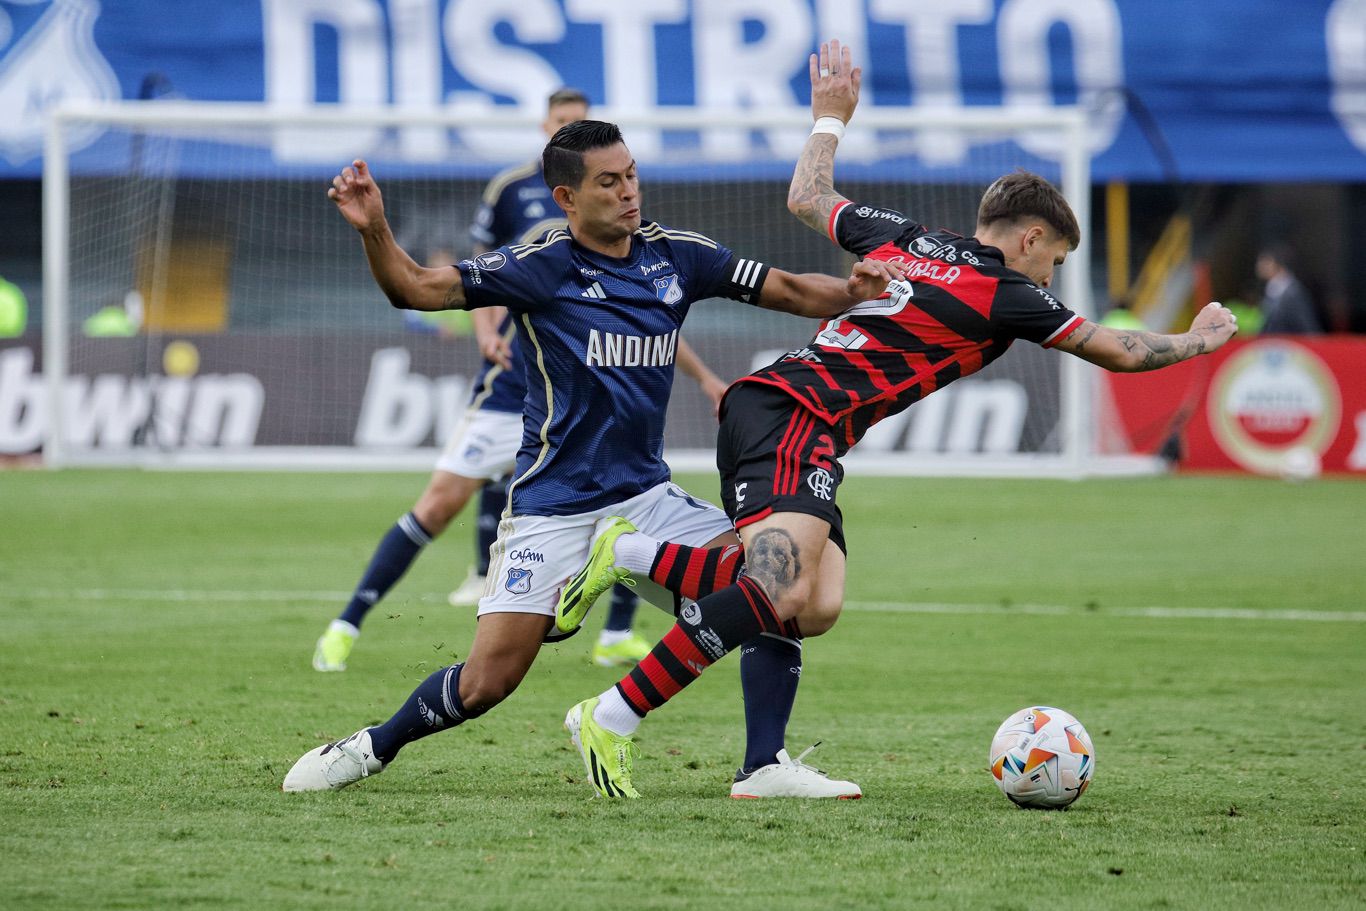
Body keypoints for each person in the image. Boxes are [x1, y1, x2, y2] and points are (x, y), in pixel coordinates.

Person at [557, 39, 1240, 799]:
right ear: (1030, 239)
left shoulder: (911, 239)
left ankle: (745, 739)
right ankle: (612, 714)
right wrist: (1199, 339)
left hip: (799, 416)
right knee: (777, 588)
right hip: (793, 412)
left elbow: (808, 199)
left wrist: (829, 120)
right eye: (1054, 262)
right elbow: (1118, 349)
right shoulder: (1007, 291)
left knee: (813, 603)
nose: (1051, 279)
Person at [282, 118, 907, 795]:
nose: (629, 192)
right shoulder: (541, 266)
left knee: (778, 584)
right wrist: (374, 229)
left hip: (646, 498)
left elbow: (785, 287)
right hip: (554, 507)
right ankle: (371, 745)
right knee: (487, 681)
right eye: (609, 182)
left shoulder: (677, 254)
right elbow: (416, 287)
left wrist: (851, 293)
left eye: (632, 175)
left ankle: (763, 765)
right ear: (566, 198)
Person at [310, 89, 705, 673]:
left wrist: (710, 378)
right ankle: (348, 623)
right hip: (512, 388)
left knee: (630, 491)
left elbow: (651, 316)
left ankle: (616, 630)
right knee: (439, 505)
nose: (622, 188)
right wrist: (486, 333)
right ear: (548, 137)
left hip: (590, 395)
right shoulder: (512, 195)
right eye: (563, 122)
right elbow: (470, 279)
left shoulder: (635, 232)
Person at [1255, 245, 1323, 334]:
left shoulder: (1294, 292)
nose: (1259, 266)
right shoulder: (1272, 290)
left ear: (1278, 264)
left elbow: (1307, 326)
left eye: (1265, 262)